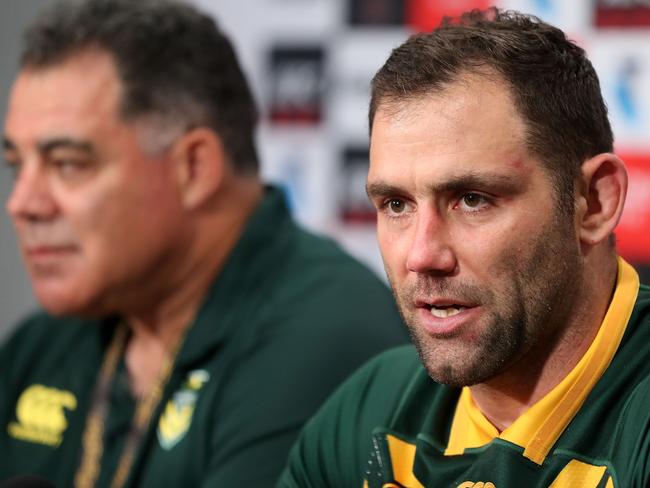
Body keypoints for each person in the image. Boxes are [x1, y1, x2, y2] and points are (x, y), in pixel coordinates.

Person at [0, 0, 407, 486]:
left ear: (192, 168)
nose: (22, 204)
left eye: (67, 164)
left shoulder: (324, 335)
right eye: (16, 167)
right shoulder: (45, 341)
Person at [278, 8, 650, 488]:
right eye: (395, 205)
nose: (422, 255)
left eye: (472, 200)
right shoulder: (368, 414)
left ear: (594, 203)